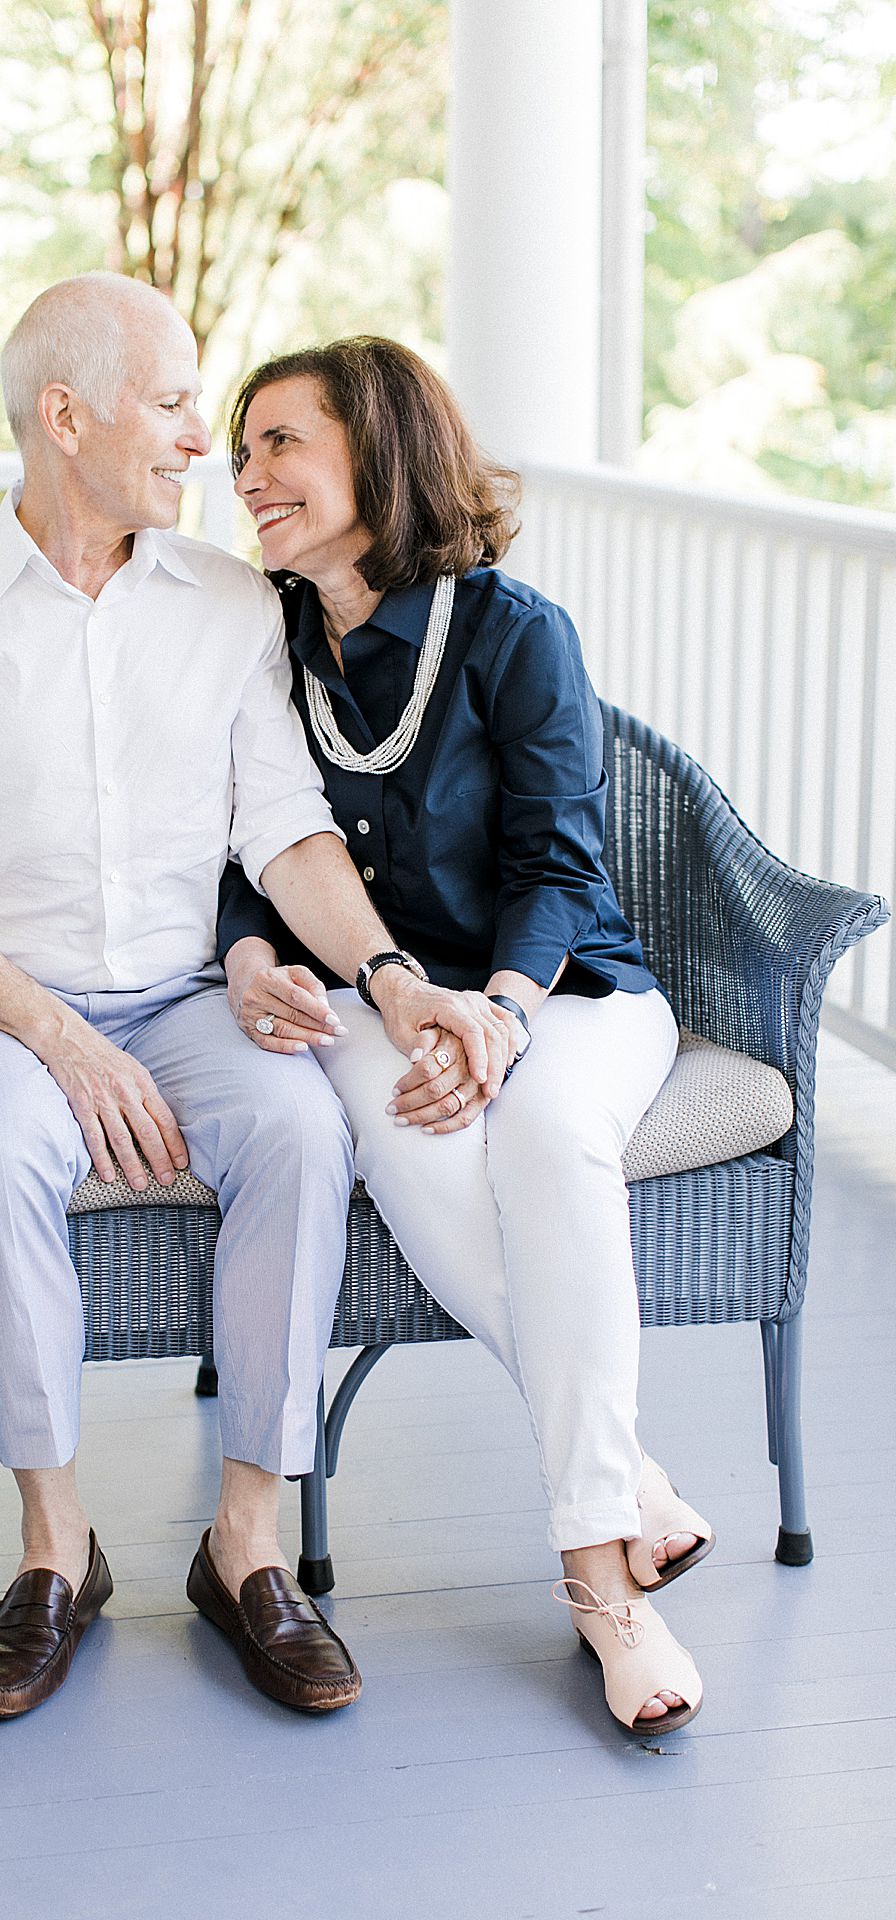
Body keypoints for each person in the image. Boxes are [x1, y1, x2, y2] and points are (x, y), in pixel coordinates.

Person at [0, 276, 490, 1722]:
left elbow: (284, 828)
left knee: (303, 1135)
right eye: (179, 402)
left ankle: (246, 1548)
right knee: (1, 1151)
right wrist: (61, 1041)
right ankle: (54, 1551)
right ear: (67, 417)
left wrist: (385, 978)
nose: (207, 441)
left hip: (192, 997)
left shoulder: (222, 604)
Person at [219, 336, 713, 1736]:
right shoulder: (262, 639)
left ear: (376, 453)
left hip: (564, 995)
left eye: (279, 444)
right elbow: (241, 854)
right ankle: (630, 1498)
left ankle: (599, 1584)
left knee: (550, 1138)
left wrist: (498, 1012)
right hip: (379, 1003)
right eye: (243, 446)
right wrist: (258, 953)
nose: (245, 475)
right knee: (422, 1160)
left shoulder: (513, 630)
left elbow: (563, 867)